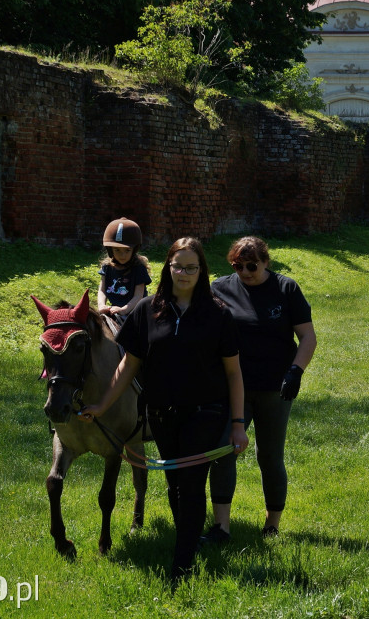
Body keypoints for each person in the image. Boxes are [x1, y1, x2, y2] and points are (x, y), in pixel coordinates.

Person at [79, 237, 249, 583]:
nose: (183, 273)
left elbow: (234, 373)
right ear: (167, 268)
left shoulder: (218, 314)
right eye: (177, 266)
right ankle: (186, 541)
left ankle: (181, 567)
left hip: (205, 412)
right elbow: (127, 367)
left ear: (201, 271)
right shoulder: (147, 311)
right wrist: (100, 405)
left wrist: (237, 424)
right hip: (161, 414)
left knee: (190, 484)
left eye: (191, 267)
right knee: (174, 484)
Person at [203, 237, 317, 541]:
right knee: (223, 452)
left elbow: (307, 337)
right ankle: (221, 527)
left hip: (274, 387)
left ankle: (272, 524)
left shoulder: (285, 289)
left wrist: (296, 371)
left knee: (269, 456)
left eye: (251, 265)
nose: (244, 271)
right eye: (237, 266)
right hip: (230, 387)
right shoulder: (219, 289)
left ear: (266, 262)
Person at [97, 217, 151, 324]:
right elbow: (102, 290)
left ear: (134, 249)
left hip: (134, 312)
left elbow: (138, 296)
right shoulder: (107, 267)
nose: (122, 255)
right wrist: (101, 305)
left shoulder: (139, 269)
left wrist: (124, 310)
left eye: (127, 250)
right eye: (117, 250)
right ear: (110, 250)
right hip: (113, 310)